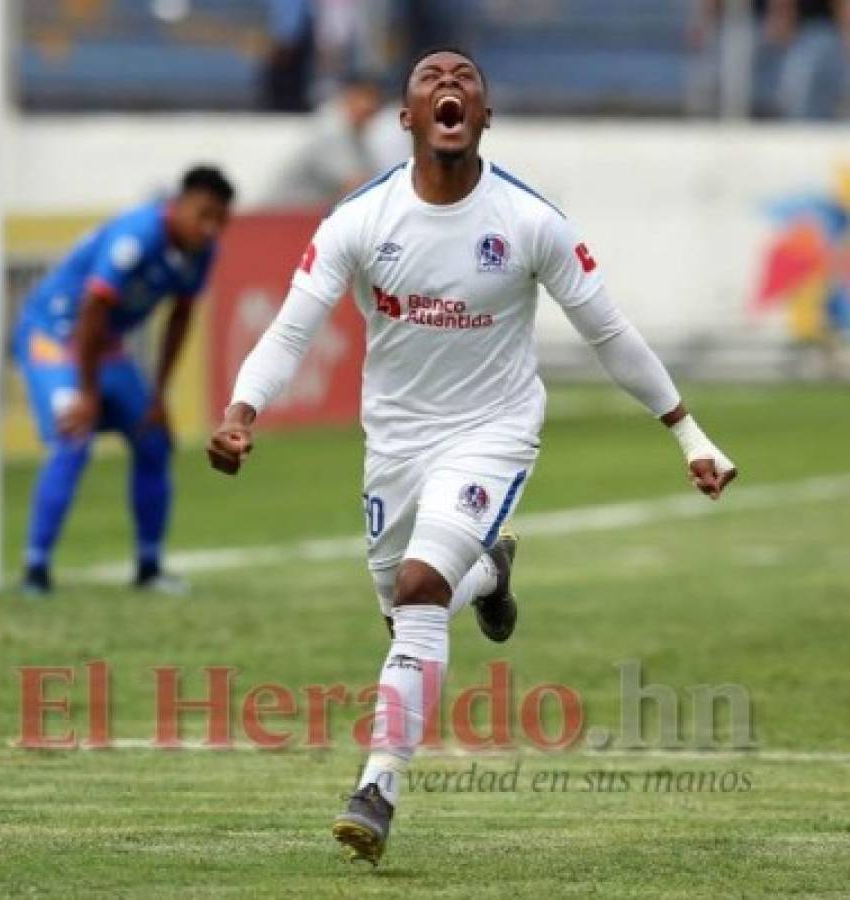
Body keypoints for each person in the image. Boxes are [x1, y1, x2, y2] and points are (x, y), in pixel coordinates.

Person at [207, 48, 737, 865]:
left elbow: (608, 333)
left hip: (492, 430)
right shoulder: (360, 218)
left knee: (420, 590)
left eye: (465, 80)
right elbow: (290, 328)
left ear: (483, 117)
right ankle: (489, 574)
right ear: (406, 119)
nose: (448, 83)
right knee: (401, 609)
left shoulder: (529, 222)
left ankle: (377, 786)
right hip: (395, 437)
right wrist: (242, 412)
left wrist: (687, 432)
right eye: (430, 78)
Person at [14, 166, 235, 595]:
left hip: (103, 342)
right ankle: (35, 570)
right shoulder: (137, 236)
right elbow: (92, 310)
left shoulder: (202, 250)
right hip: (54, 335)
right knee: (73, 436)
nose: (209, 228)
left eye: (219, 220)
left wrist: (158, 395)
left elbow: (181, 316)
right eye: (202, 214)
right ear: (179, 204)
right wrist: (88, 393)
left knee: (153, 438)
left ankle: (149, 568)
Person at [690, 0, 849, 119]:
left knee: (804, 67)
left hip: (811, 28)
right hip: (755, 24)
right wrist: (704, 21)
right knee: (722, 63)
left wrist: (782, 16)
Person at [266, 74, 384, 208]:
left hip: (308, 214)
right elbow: (357, 185)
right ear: (350, 96)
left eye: (376, 99)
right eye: (366, 97)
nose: (372, 105)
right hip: (283, 214)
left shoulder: (356, 135)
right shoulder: (330, 128)